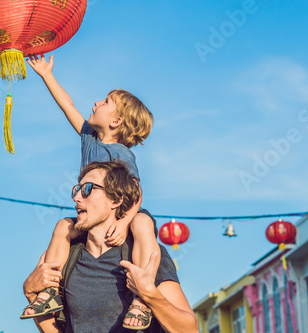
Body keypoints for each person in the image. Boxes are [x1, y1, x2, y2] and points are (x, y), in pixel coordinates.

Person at [20, 54, 159, 329]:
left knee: (144, 222)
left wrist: (124, 221)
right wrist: (47, 75)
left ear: (117, 121)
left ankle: (141, 300)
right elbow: (67, 106)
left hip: (118, 214)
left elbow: (137, 191)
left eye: (105, 102)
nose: (96, 103)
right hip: (92, 216)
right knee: (63, 226)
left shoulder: (121, 154)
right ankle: (50, 291)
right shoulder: (89, 137)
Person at [23, 161, 199, 333]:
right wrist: (31, 294)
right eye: (77, 190)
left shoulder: (143, 254)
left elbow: (190, 329)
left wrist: (150, 295)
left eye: (87, 189)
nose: (76, 198)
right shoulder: (68, 257)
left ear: (115, 200)